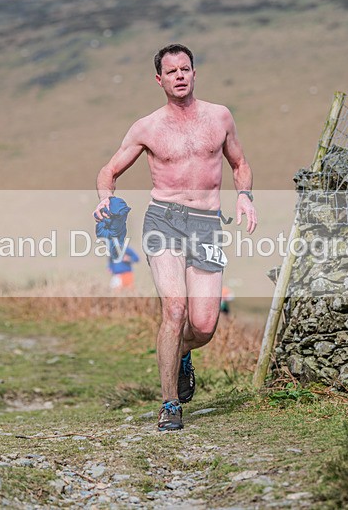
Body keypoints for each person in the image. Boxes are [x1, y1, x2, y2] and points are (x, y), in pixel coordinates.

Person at [93, 43, 257, 431]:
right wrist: (105, 200)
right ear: (159, 79)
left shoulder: (220, 117)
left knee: (203, 326)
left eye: (185, 69)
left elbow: (240, 163)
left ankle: (182, 355)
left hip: (206, 224)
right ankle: (170, 404)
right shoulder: (147, 127)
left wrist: (246, 196)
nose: (180, 75)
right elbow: (109, 171)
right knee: (175, 309)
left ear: (194, 73)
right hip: (163, 219)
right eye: (172, 71)